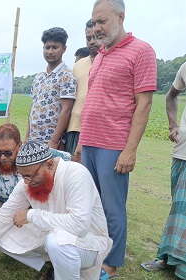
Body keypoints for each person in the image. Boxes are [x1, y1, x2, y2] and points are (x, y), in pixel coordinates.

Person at [0, 140, 112, 280]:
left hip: (89, 244)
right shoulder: (27, 181)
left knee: (56, 242)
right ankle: (59, 264)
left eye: (31, 176)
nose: (26, 182)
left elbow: (80, 225)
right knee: (1, 234)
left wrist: (32, 215)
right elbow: (4, 215)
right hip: (55, 237)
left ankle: (63, 266)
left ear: (49, 164)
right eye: (22, 176)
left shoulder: (76, 174)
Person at [79, 0, 157, 278]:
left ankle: (110, 264)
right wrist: (80, 144)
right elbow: (94, 101)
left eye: (102, 21)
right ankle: (93, 251)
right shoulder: (100, 55)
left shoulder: (142, 51)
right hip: (89, 143)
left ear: (121, 17)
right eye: (94, 22)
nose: (97, 28)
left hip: (114, 146)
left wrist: (130, 150)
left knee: (112, 208)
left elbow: (144, 104)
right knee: (89, 203)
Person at [140, 62, 186, 279]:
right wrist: (172, 125)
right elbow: (171, 96)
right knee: (178, 208)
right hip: (182, 151)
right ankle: (168, 257)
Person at [25, 27, 76, 150]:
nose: (50, 51)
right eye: (47, 47)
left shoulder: (66, 75)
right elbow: (33, 108)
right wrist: (27, 136)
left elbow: (66, 109)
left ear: (64, 49)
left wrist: (54, 140)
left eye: (55, 47)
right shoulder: (38, 77)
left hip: (52, 143)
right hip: (34, 140)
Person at [66, 20, 102, 160]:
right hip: (75, 128)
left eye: (96, 37)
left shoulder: (111, 62)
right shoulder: (78, 65)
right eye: (88, 38)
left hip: (98, 130)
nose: (92, 42)